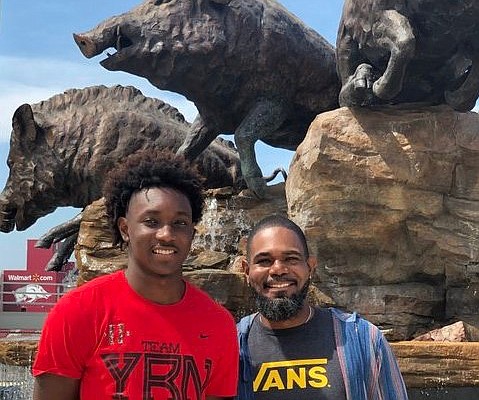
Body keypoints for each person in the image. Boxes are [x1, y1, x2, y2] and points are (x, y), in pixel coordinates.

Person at [33, 149, 239, 400]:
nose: (166, 234)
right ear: (125, 229)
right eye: (151, 221)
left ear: (192, 235)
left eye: (180, 223)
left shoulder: (219, 324)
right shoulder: (76, 312)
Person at [236, 215, 408, 400]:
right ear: (246, 270)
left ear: (310, 266)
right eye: (264, 261)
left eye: (291, 259)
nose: (278, 269)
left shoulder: (364, 339)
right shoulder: (231, 345)